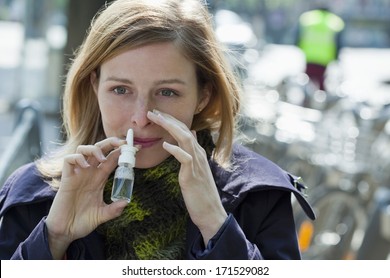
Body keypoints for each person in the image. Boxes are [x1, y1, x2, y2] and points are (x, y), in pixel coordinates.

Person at [0, 0, 314, 260]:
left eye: (167, 92)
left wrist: (216, 227)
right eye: (121, 90)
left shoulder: (258, 197)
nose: (141, 118)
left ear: (203, 95)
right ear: (94, 86)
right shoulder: (33, 194)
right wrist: (52, 238)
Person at [296, 6, 345, 91]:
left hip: (309, 55)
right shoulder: (333, 21)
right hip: (324, 57)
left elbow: (298, 35)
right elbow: (338, 41)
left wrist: (298, 46)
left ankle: (306, 100)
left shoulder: (309, 18)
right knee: (320, 79)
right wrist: (337, 56)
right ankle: (321, 99)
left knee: (307, 79)